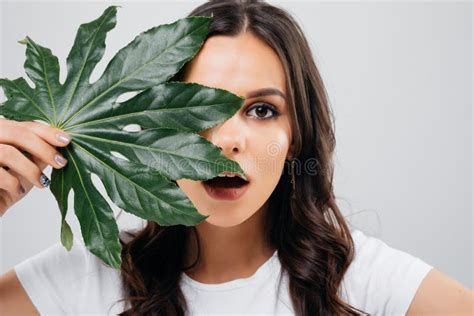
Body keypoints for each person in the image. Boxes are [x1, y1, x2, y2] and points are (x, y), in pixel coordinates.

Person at [0, 0, 473, 315]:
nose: (227, 140)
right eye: (199, 104)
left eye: (262, 110)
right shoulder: (86, 279)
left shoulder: (361, 279)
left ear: (297, 139)